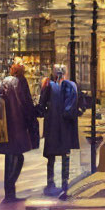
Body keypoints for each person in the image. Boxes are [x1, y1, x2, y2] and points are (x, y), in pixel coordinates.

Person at [0, 61, 39, 203]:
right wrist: (34, 119)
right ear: (21, 72)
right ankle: (10, 193)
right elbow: (27, 104)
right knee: (18, 157)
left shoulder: (5, 82)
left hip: (7, 126)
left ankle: (9, 193)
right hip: (18, 126)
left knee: (10, 158)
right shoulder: (21, 82)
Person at [37, 64, 80, 198]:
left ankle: (50, 183)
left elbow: (41, 105)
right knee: (65, 155)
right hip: (65, 126)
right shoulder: (71, 85)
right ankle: (65, 184)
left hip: (52, 125)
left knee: (51, 156)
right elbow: (74, 107)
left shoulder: (48, 85)